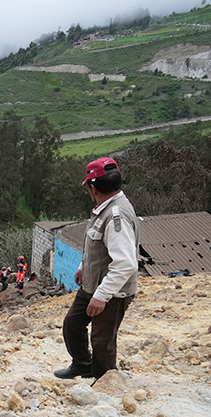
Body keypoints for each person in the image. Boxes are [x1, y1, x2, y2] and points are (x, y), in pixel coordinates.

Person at [55, 157, 139, 381]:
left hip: (112, 291)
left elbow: (126, 263)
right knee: (72, 324)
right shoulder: (104, 208)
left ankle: (105, 383)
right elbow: (98, 244)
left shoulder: (116, 216)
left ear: (92, 188)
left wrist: (102, 296)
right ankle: (82, 364)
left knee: (102, 341)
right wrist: (84, 266)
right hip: (93, 283)